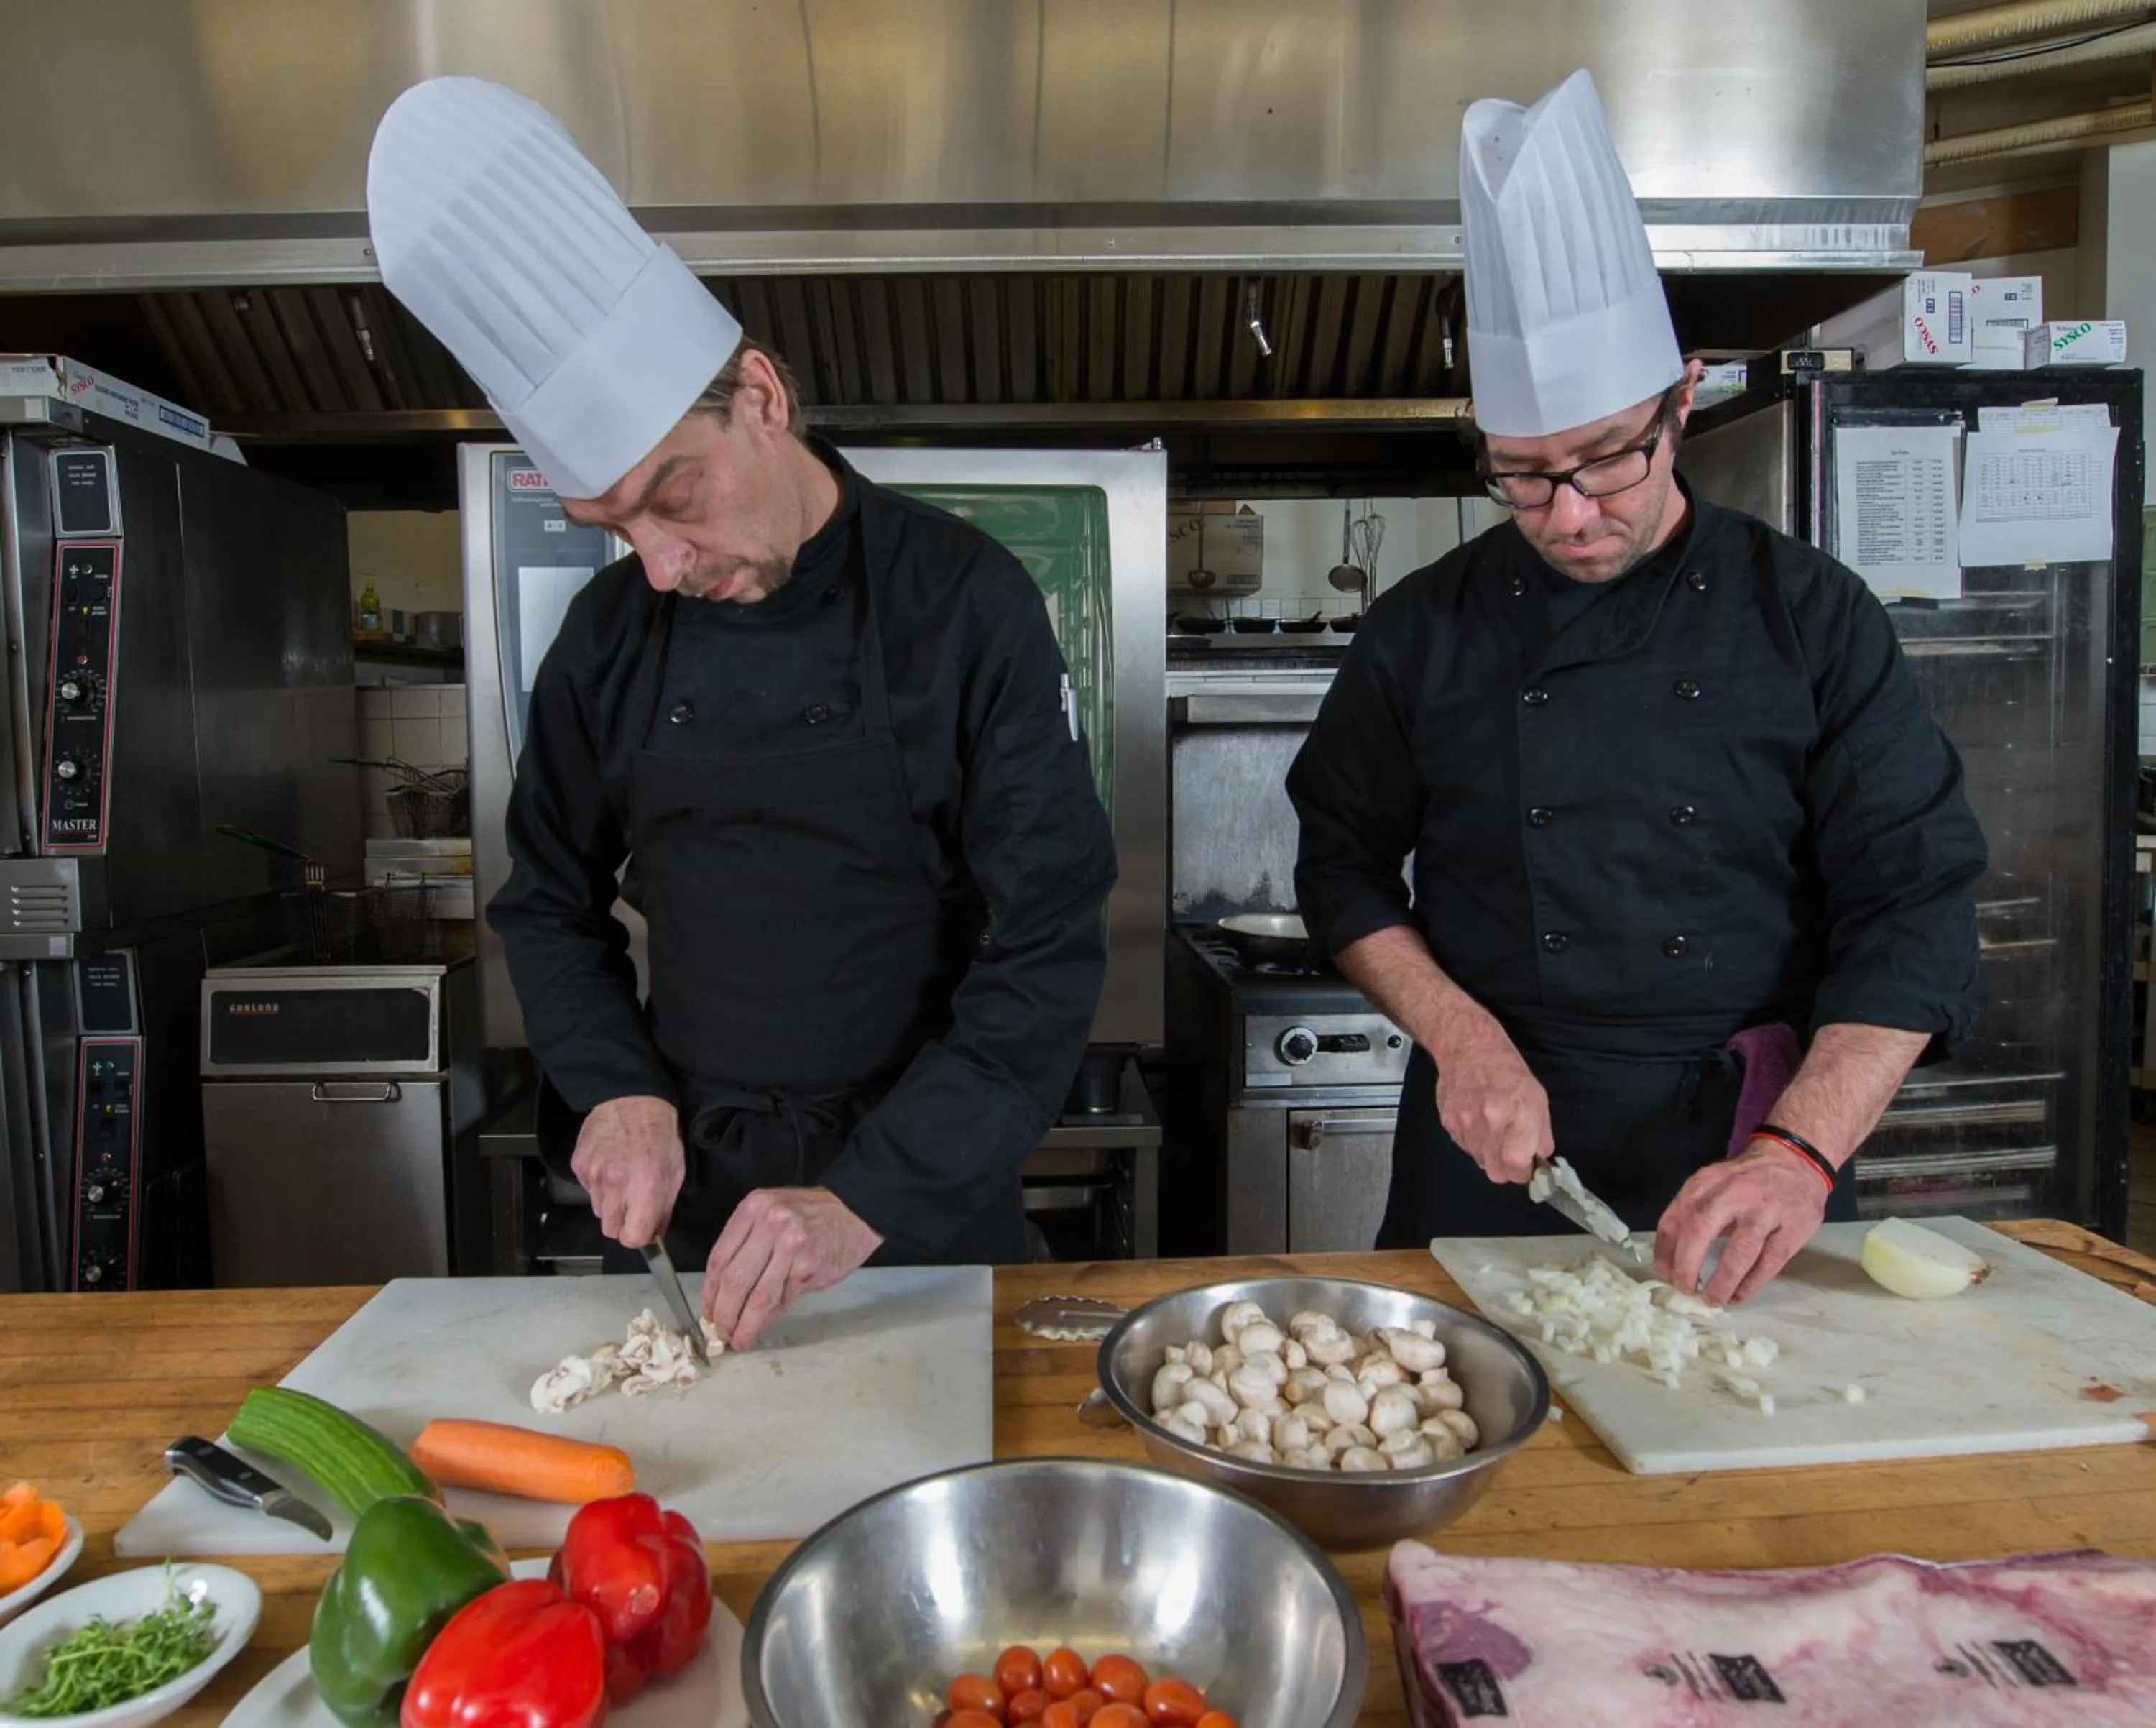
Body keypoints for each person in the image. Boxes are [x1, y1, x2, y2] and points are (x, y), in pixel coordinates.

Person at [366, 77, 1115, 1346]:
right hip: (693, 1201)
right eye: (616, 529)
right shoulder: (610, 639)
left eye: (678, 498)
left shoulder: (961, 604)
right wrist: (615, 1095)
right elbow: (546, 899)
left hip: (918, 1197)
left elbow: (1045, 941)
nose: (660, 565)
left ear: (760, 399)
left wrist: (866, 1195)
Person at [1286, 69, 1985, 1304]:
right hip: (1495, 1143)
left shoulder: (1811, 617)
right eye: (1521, 474)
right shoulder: (1422, 631)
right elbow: (1339, 867)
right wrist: (1461, 1037)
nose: (1567, 513)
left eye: (1606, 460)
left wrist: (1802, 1149)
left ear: (1682, 397)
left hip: (1752, 1148)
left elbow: (1915, 904)